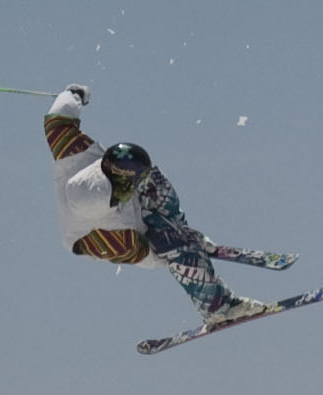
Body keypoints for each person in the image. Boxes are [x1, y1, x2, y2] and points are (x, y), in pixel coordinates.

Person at [44, 85, 291, 321]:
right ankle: (218, 308)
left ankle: (176, 230)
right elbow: (146, 254)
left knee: (153, 181)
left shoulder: (75, 156)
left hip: (127, 210)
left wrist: (73, 94)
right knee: (171, 245)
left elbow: (57, 121)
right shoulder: (107, 237)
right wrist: (182, 247)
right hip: (104, 234)